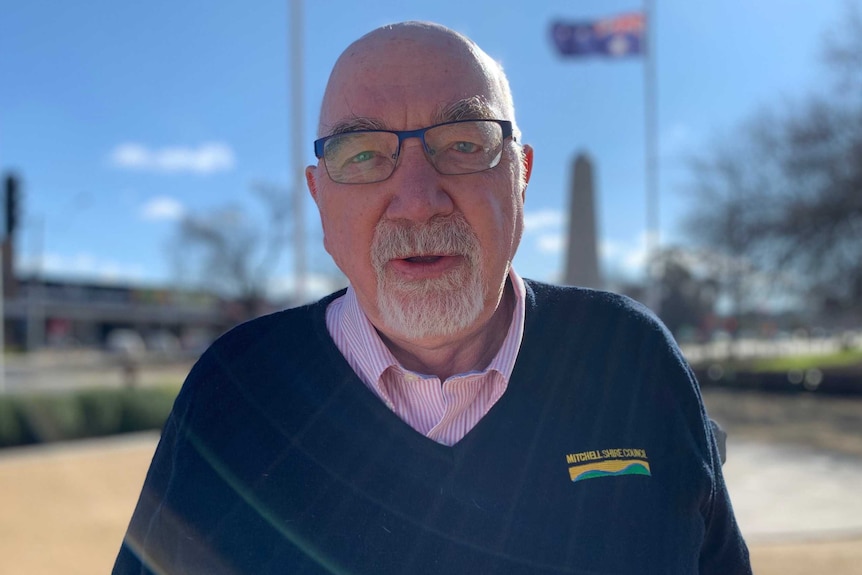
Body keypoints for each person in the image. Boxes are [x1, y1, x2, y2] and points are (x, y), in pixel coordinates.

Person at [113, 21, 751, 574]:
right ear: (319, 198)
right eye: (362, 155)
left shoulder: (634, 359)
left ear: (521, 175)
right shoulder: (233, 391)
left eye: (465, 144)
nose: (418, 198)